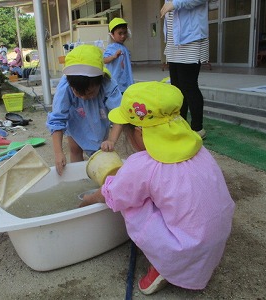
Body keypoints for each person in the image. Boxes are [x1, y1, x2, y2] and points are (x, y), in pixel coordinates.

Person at [80, 81, 235, 295]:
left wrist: (89, 198)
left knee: (130, 203)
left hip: (184, 250)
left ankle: (163, 266)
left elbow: (115, 194)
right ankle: (182, 260)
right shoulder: (198, 148)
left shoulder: (143, 165)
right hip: (215, 240)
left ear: (139, 132)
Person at [46, 44, 122, 175]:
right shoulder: (65, 88)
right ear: (70, 84)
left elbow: (119, 114)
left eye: (90, 93)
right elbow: (57, 119)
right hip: (76, 118)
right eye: (78, 93)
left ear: (100, 80)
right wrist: (58, 153)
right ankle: (79, 177)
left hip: (99, 118)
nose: (83, 97)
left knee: (102, 150)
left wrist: (111, 140)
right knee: (75, 149)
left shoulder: (107, 84)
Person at [161, 0, 209, 139]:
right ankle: (181, 124)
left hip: (191, 38)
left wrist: (175, 3)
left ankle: (197, 128)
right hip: (175, 41)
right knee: (177, 87)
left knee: (189, 86)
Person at [103, 17, 134, 94]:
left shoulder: (124, 48)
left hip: (126, 83)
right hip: (116, 84)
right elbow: (104, 60)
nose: (123, 36)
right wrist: (113, 56)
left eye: (124, 33)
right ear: (112, 34)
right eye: (120, 33)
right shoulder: (111, 47)